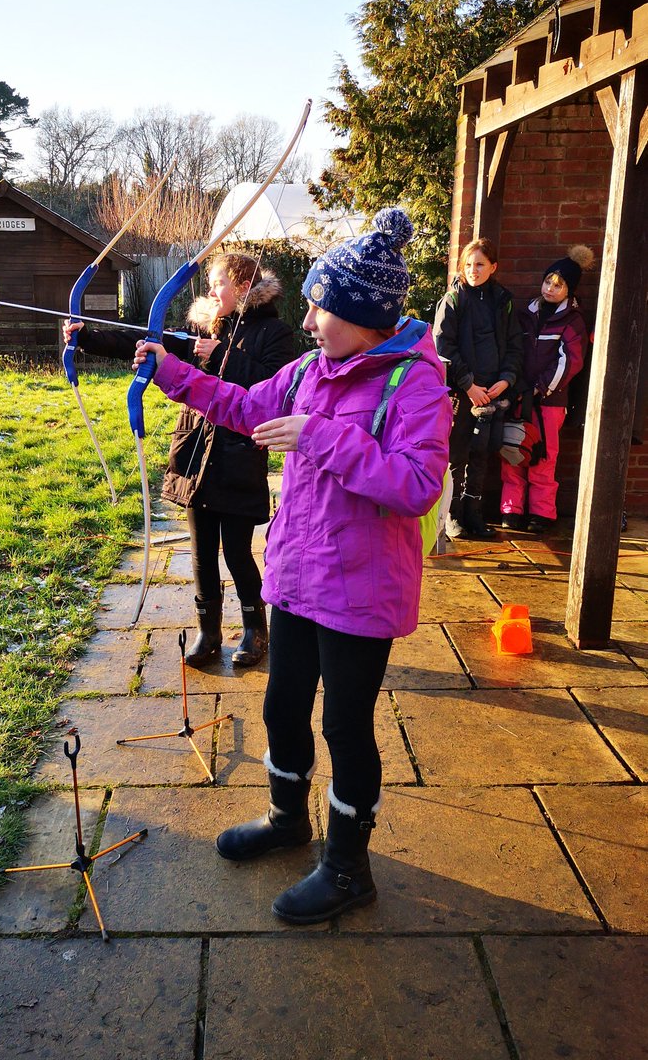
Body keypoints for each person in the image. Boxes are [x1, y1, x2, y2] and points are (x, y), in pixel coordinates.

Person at [132, 208, 452, 925]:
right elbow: (244, 407)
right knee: (281, 705)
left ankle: (348, 869)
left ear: (362, 317)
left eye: (320, 309)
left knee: (345, 726)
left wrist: (319, 436)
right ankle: (287, 819)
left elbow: (415, 485)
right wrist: (171, 373)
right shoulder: (311, 368)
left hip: (362, 592)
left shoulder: (415, 385)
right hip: (300, 578)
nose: (307, 323)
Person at [64, 252, 294, 666]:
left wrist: (220, 354)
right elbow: (149, 341)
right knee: (202, 552)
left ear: (243, 287)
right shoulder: (203, 326)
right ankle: (209, 631)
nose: (211, 290)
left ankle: (255, 631)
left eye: (219, 283)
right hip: (195, 453)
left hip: (239, 458)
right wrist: (88, 337)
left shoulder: (275, 333)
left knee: (237, 552)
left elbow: (271, 389)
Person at [433, 238, 523, 540]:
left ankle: (474, 514)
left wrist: (506, 379)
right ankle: (453, 515)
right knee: (457, 454)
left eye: (480, 264)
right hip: (462, 394)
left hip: (493, 394)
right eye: (469, 264)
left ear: (493, 267)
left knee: (483, 454)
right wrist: (468, 385)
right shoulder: (453, 300)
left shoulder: (503, 301)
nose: (474, 270)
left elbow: (515, 346)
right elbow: (443, 346)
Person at [499, 245, 593, 533]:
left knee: (543, 456)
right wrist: (514, 384)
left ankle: (541, 512)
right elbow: (512, 350)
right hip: (518, 396)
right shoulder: (526, 313)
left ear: (569, 290)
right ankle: (511, 508)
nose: (551, 288)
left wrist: (540, 388)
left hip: (549, 402)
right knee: (512, 448)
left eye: (558, 284)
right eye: (548, 282)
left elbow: (570, 362)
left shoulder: (572, 321)